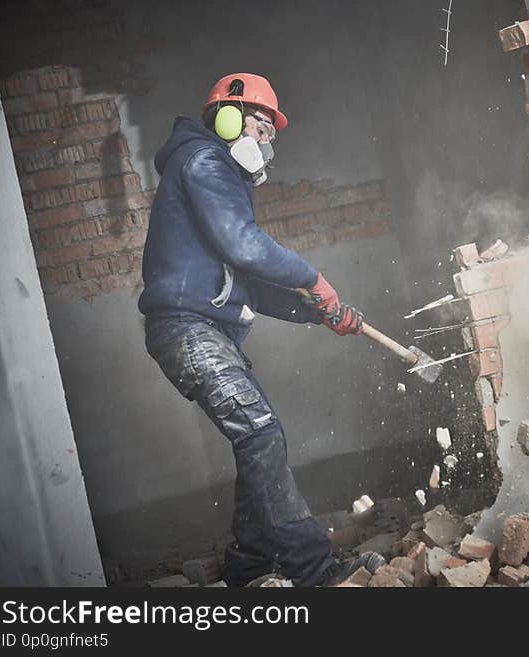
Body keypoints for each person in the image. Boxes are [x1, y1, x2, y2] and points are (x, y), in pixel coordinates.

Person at [138, 73, 384, 586]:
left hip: (201, 329)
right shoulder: (205, 162)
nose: (267, 141)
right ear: (227, 118)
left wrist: (318, 311)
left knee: (258, 439)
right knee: (261, 434)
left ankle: (246, 566)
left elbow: (246, 280)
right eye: (261, 124)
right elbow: (244, 246)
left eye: (272, 131)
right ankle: (315, 573)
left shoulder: (210, 175)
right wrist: (317, 280)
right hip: (187, 328)